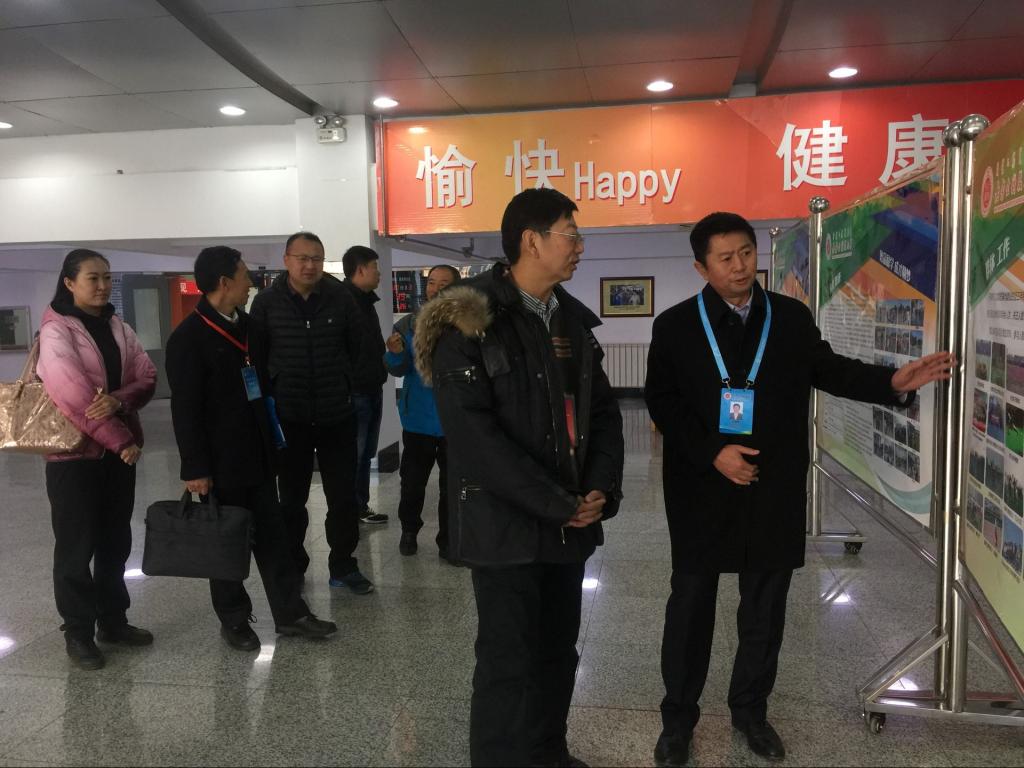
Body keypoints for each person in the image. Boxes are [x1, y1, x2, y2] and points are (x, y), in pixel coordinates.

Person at [644, 211, 956, 766]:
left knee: (765, 610)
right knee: (690, 606)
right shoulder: (675, 325)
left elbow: (829, 369)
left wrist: (891, 382)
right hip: (701, 487)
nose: (740, 266)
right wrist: (713, 451)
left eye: (746, 253)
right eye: (725, 258)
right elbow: (662, 401)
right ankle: (678, 720)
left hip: (773, 485)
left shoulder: (787, 316)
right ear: (701, 267)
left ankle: (751, 713)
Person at [416, 188, 625, 767]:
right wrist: (557, 503)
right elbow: (475, 438)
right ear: (532, 241)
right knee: (507, 660)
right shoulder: (470, 320)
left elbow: (603, 413)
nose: (579, 247)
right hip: (505, 525)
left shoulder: (571, 320)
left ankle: (547, 752)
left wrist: (599, 488)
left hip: (569, 522)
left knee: (557, 653)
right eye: (570, 235)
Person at [165, 246, 337, 650]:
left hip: (258, 455)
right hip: (219, 463)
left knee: (275, 540)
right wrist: (195, 468)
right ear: (225, 282)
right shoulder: (188, 339)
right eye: (245, 275)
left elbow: (263, 389)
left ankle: (291, 614)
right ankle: (234, 621)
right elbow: (185, 410)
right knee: (226, 545)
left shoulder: (251, 329)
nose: (251, 282)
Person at [37, 248, 157, 670]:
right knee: (76, 548)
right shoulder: (55, 331)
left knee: (115, 542)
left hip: (116, 455)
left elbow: (147, 377)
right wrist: (120, 439)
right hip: (73, 457)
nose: (103, 285)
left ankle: (113, 621)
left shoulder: (118, 326)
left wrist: (118, 401)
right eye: (93, 278)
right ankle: (78, 633)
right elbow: (72, 394)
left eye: (107, 277)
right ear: (69, 282)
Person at [248, 232, 374, 594]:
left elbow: (358, 346)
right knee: (291, 500)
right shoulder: (267, 303)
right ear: (286, 260)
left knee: (343, 498)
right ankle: (293, 565)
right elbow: (257, 357)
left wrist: (344, 383)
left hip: (337, 415)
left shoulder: (340, 297)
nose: (309, 266)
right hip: (290, 418)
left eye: (317, 258)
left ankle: (343, 565)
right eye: (302, 258)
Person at [384, 264, 460, 560]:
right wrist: (395, 354)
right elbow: (398, 369)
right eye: (431, 283)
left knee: (452, 485)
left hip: (455, 419)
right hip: (417, 418)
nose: (436, 288)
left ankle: (449, 541)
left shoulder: (468, 323)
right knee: (412, 483)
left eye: (444, 283)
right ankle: (409, 532)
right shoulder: (408, 324)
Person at [341, 245, 389, 525]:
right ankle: (351, 508)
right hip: (356, 391)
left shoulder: (365, 301)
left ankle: (360, 506)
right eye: (375, 268)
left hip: (372, 386)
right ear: (360, 270)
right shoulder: (344, 302)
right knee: (356, 453)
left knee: (367, 452)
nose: (379, 274)